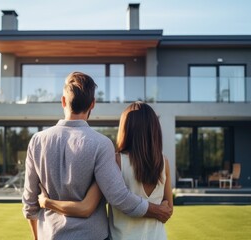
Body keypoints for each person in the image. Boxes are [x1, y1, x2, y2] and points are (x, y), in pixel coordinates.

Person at [22, 72, 172, 240]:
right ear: (92, 104)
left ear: (63, 101)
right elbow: (119, 196)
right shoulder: (101, 144)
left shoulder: (37, 141)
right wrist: (157, 210)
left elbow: (29, 203)